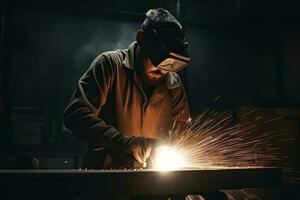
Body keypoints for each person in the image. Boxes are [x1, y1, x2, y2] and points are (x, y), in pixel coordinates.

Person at [64, 7, 190, 170]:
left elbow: (184, 133)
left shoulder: (173, 84)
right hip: (107, 182)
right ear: (141, 39)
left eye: (169, 65)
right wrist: (124, 143)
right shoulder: (109, 65)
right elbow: (76, 115)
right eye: (157, 61)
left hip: (153, 185)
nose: (163, 71)